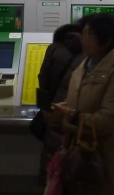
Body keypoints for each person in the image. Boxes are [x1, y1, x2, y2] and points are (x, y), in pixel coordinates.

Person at [48, 13, 114, 195]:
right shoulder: (87, 64)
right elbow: (84, 100)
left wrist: (70, 115)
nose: (82, 38)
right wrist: (61, 108)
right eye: (83, 33)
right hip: (82, 153)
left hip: (110, 158)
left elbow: (112, 118)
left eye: (89, 34)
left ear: (106, 41)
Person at [36, 21, 85, 187]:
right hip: (78, 115)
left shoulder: (55, 48)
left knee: (53, 160)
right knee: (76, 164)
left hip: (55, 112)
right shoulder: (91, 53)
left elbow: (43, 80)